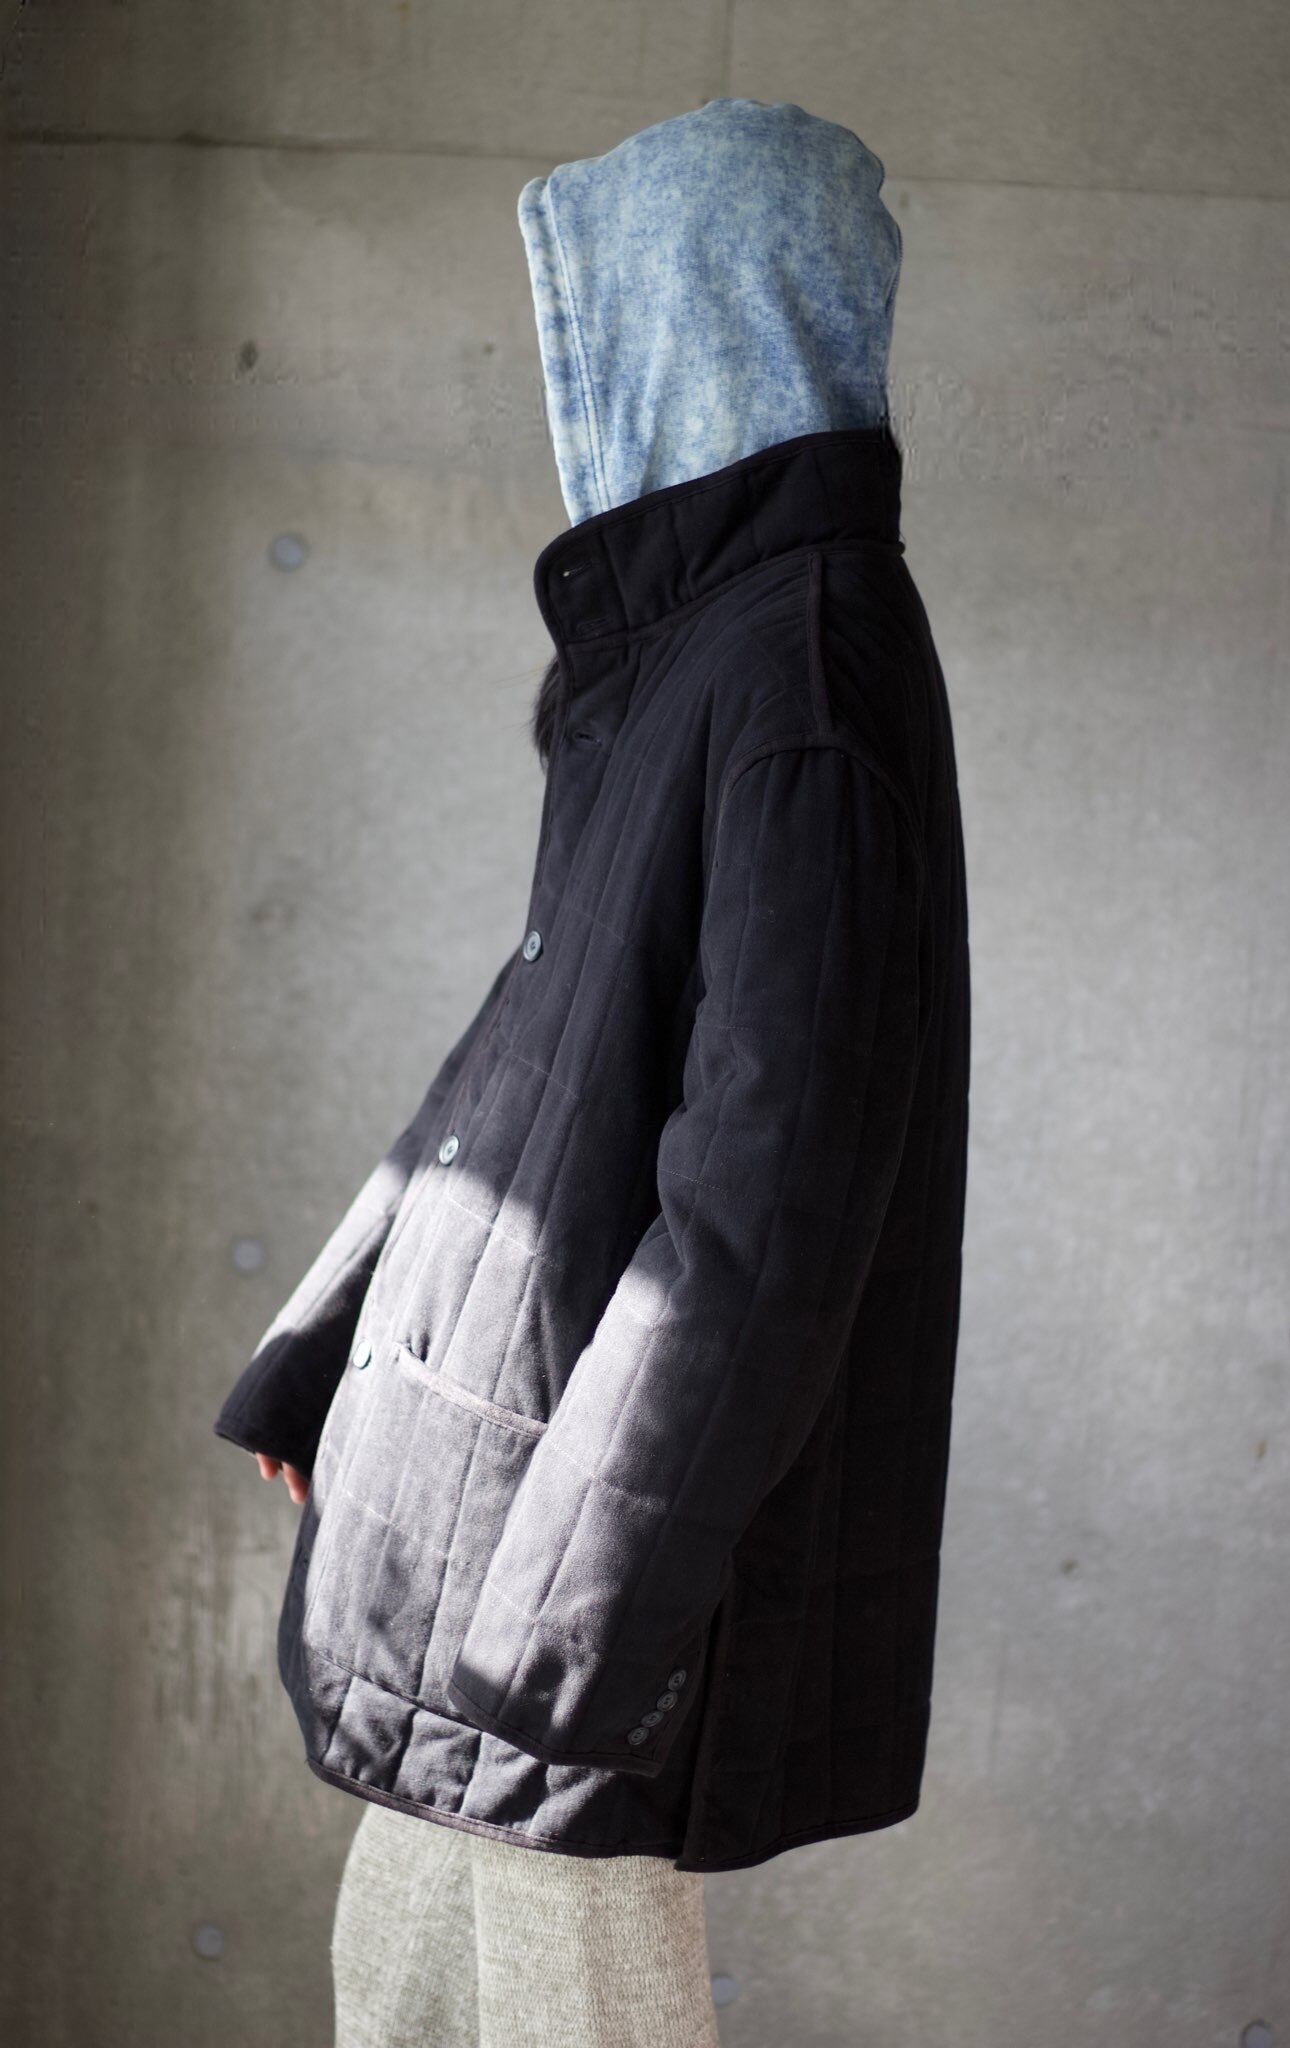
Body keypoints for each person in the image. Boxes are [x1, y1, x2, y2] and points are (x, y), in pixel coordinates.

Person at [215, 95, 971, 2046]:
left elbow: (764, 1212)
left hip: (557, 1579)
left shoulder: (800, 667)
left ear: (701, 317)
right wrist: (325, 1340)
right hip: (491, 1516)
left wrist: (571, 1601)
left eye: (612, 313)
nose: (582, 372)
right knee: (401, 2006)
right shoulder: (697, 658)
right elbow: (530, 1052)